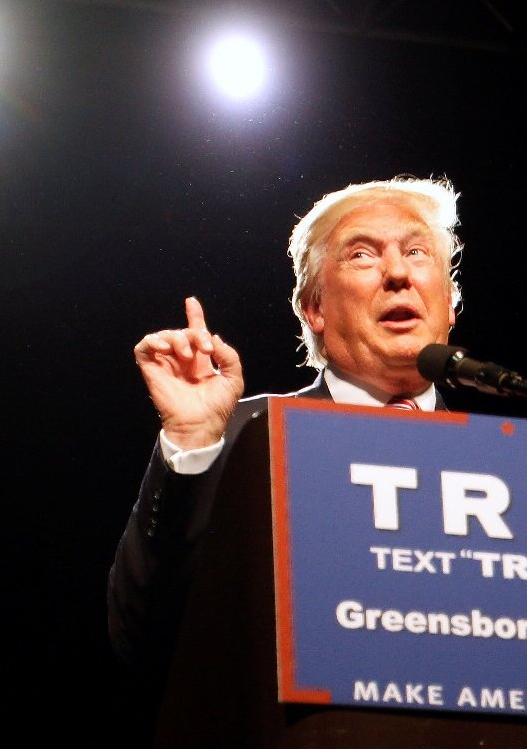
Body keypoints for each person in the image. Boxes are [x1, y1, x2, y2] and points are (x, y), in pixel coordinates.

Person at [106, 175, 463, 680]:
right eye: (362, 254)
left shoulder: (511, 462)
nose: (398, 273)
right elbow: (142, 635)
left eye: (418, 252)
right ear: (314, 307)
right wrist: (190, 442)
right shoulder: (242, 439)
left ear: (449, 300)